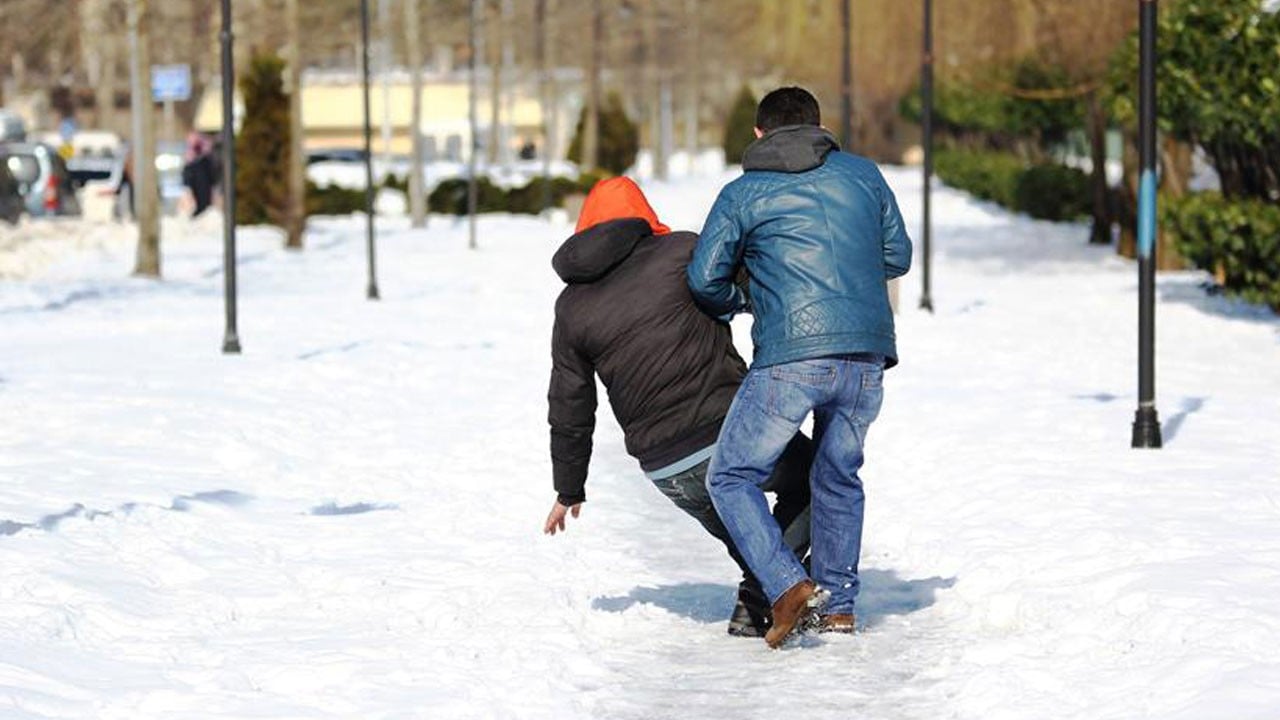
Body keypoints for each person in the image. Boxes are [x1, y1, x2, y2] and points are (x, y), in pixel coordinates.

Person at [687, 87, 912, 648]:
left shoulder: (743, 192)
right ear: (819, 126)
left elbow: (704, 279)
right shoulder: (864, 175)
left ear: (758, 133)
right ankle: (837, 609)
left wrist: (749, 297)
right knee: (838, 475)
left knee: (731, 476)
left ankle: (787, 585)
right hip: (865, 354)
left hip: (790, 356)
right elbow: (898, 255)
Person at [545, 176, 813, 637]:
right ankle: (762, 594)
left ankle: (761, 603)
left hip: (665, 467)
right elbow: (757, 286)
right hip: (731, 432)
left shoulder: (570, 307)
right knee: (818, 478)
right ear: (643, 216)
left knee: (752, 539)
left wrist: (568, 489)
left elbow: (570, 404)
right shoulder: (682, 252)